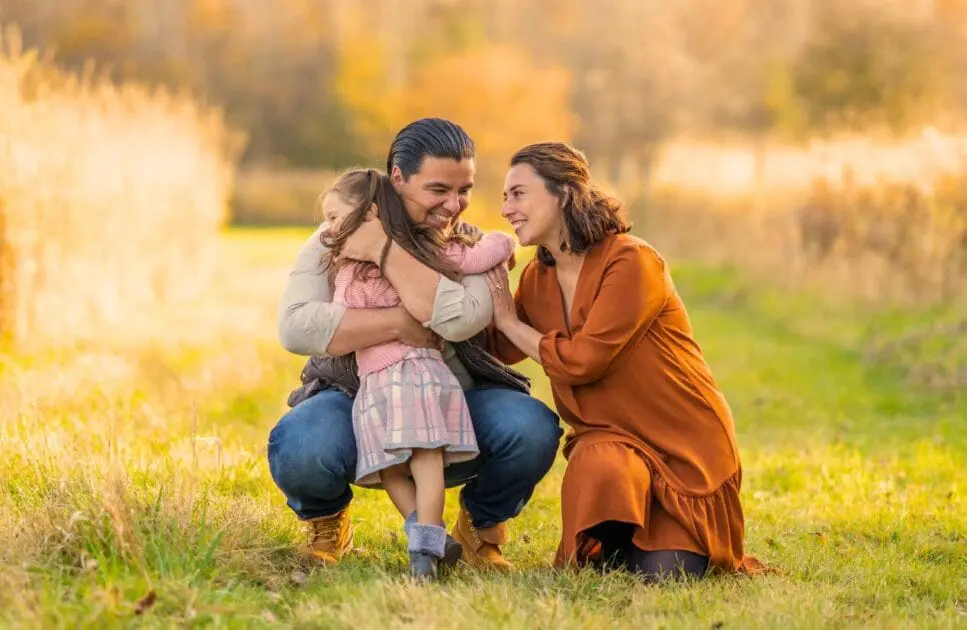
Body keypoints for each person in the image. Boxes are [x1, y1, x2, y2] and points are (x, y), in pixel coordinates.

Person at [267, 118, 562, 572]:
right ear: (398, 177)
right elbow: (296, 328)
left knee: (531, 428)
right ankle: (327, 522)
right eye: (438, 189)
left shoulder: (469, 247)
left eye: (464, 190)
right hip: (356, 398)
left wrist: (385, 250)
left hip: (451, 400)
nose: (454, 205)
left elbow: (461, 321)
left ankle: (478, 529)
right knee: (301, 442)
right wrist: (400, 324)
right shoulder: (335, 235)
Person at [486, 142, 762, 581]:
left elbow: (583, 362)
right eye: (504, 197)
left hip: (682, 444)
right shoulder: (537, 279)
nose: (505, 209)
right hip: (611, 443)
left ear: (562, 193)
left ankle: (660, 538)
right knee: (601, 469)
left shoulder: (632, 261)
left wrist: (504, 317)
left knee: (667, 575)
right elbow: (496, 348)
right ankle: (615, 536)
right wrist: (457, 272)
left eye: (517, 194)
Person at [320, 167, 514, 579]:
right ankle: (427, 537)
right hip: (374, 384)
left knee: (427, 459)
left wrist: (502, 242)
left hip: (413, 372)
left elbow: (472, 256)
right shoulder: (344, 264)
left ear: (369, 214)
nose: (328, 228)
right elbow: (334, 324)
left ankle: (423, 559)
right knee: (389, 467)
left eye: (335, 217)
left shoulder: (418, 247)